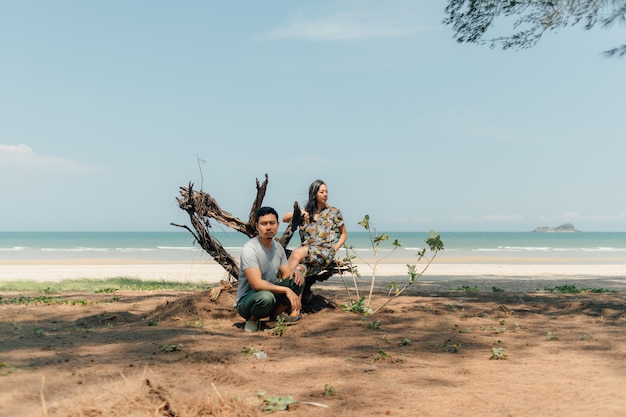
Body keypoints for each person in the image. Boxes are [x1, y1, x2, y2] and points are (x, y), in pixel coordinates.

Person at [234, 206, 305, 332]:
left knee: (297, 279)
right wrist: (286, 290)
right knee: (266, 297)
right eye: (264, 223)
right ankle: (252, 319)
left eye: (272, 223)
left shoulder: (278, 247)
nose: (268, 227)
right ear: (257, 226)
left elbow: (286, 276)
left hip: (270, 295)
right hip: (247, 302)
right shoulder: (250, 249)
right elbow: (256, 284)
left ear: (278, 225)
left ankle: (275, 315)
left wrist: (295, 271)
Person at [283, 179, 348, 314]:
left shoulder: (334, 212)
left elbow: (343, 234)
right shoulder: (306, 212)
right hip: (307, 255)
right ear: (314, 194)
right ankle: (294, 310)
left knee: (295, 254)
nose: (325, 194)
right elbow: (284, 218)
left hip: (324, 252)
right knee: (299, 271)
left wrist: (334, 249)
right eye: (322, 192)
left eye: (326, 191)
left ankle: (281, 290)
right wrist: (300, 213)